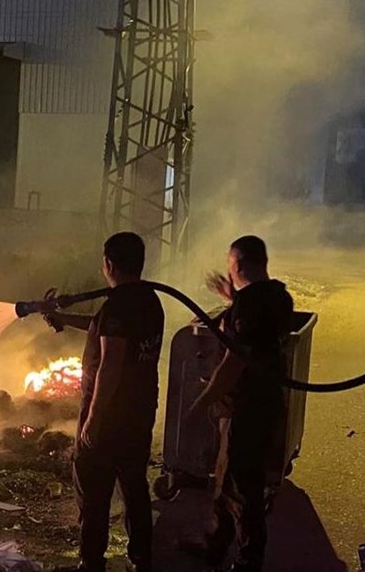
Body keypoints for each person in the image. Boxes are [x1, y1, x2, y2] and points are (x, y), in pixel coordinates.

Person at [43, 232, 164, 572]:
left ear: (109, 264)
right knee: (134, 489)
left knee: (94, 494)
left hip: (110, 419)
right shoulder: (149, 301)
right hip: (140, 414)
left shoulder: (117, 306)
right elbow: (107, 330)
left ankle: (91, 562)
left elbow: (110, 366)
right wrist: (66, 320)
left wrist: (93, 422)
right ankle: (142, 560)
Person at [184, 235, 295, 572]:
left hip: (245, 408)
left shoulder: (247, 308)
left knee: (242, 488)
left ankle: (248, 561)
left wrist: (202, 403)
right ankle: (215, 546)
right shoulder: (279, 296)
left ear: (239, 265)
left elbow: (234, 364)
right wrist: (232, 298)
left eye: (231, 263)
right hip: (266, 402)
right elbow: (258, 323)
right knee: (228, 479)